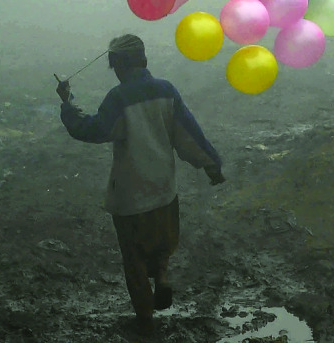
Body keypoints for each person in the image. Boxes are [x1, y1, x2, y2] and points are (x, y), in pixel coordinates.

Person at [56, 34, 225, 332]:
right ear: (144, 60)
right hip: (164, 192)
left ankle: (145, 320)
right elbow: (188, 135)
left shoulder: (118, 98)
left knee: (133, 259)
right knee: (162, 245)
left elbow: (92, 130)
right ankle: (161, 277)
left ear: (117, 65)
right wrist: (211, 164)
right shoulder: (166, 91)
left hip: (130, 199)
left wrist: (68, 104)